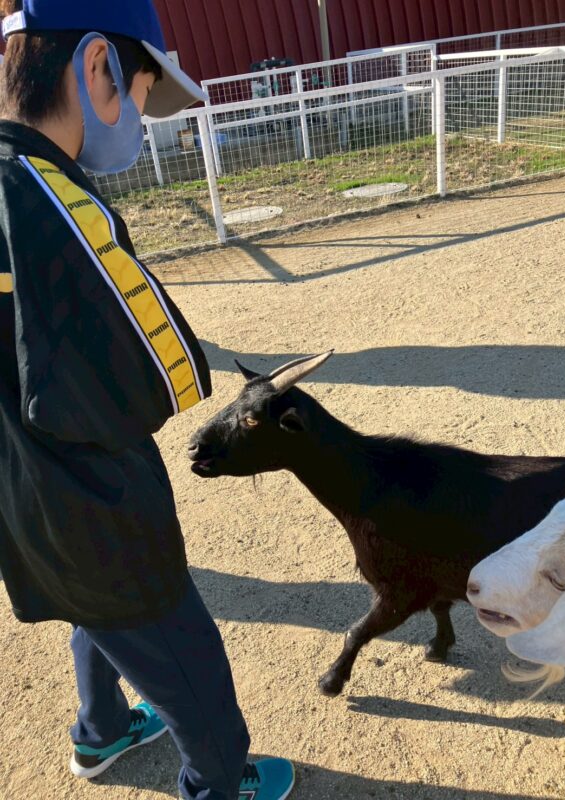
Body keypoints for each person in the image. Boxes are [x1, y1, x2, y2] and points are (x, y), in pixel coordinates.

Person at [0, 2, 295, 799]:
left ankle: (99, 732)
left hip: (25, 497)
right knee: (192, 671)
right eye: (140, 93)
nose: (140, 118)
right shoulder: (48, 194)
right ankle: (219, 785)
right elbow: (158, 372)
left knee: (89, 608)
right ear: (97, 65)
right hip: (96, 501)